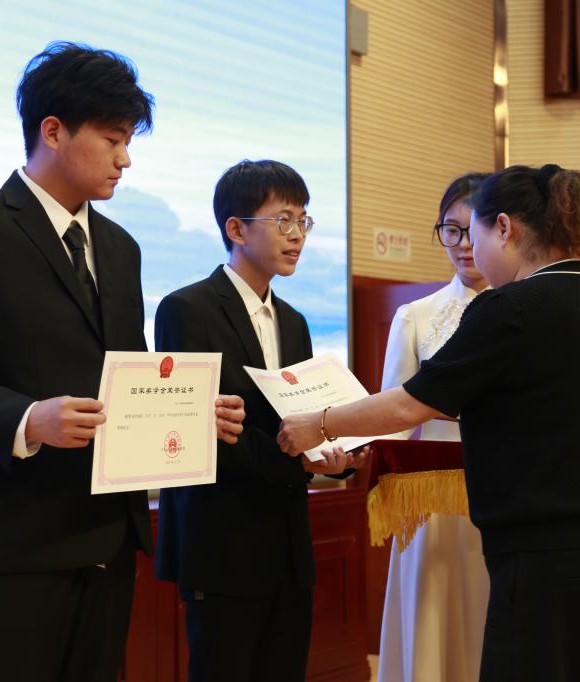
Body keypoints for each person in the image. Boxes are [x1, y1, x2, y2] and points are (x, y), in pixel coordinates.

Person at [0, 42, 244, 682]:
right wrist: (29, 419)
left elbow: (126, 376)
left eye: (128, 141)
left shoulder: (120, 247)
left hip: (107, 535)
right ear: (53, 131)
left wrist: (193, 414)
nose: (125, 158)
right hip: (11, 545)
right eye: (112, 139)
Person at [278, 164, 580, 682]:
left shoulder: (510, 307)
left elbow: (408, 406)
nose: (469, 251)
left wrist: (318, 423)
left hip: (550, 562)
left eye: (472, 235)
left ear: (503, 227)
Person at [153, 159, 365, 682]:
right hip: (221, 542)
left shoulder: (294, 321)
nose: (297, 235)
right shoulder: (187, 309)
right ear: (236, 228)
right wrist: (302, 463)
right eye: (283, 219)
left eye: (303, 220)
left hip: (287, 546)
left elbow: (302, 418)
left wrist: (335, 456)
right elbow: (205, 431)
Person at [377, 172, 491, 682]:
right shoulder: (415, 316)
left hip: (507, 493)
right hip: (433, 504)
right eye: (451, 230)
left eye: (475, 229)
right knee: (433, 618)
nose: (463, 244)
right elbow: (392, 419)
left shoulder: (527, 310)